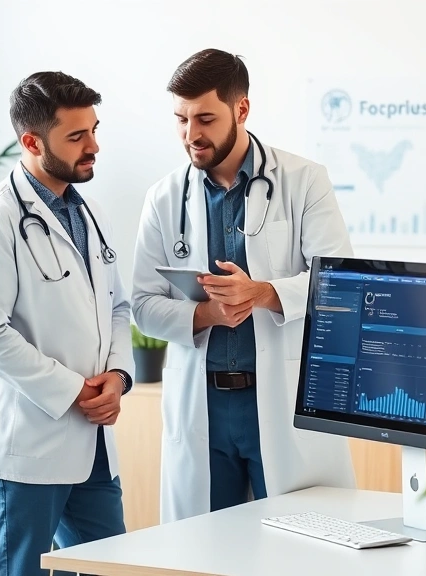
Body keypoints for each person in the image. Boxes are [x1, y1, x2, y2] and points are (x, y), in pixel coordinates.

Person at [131, 48, 357, 524]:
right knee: (206, 548)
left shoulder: (303, 181)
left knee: (296, 543)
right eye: (181, 119)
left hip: (279, 400)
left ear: (241, 109)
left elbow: (340, 282)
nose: (191, 135)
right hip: (204, 406)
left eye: (205, 119)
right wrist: (205, 314)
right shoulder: (164, 197)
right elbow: (144, 305)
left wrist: (263, 293)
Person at [0, 71, 133, 576]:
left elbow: (118, 308)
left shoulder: (91, 213)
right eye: (76, 136)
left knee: (112, 569)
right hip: (28, 448)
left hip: (93, 445)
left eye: (93, 130)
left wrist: (118, 377)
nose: (93, 146)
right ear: (32, 142)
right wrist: (75, 390)